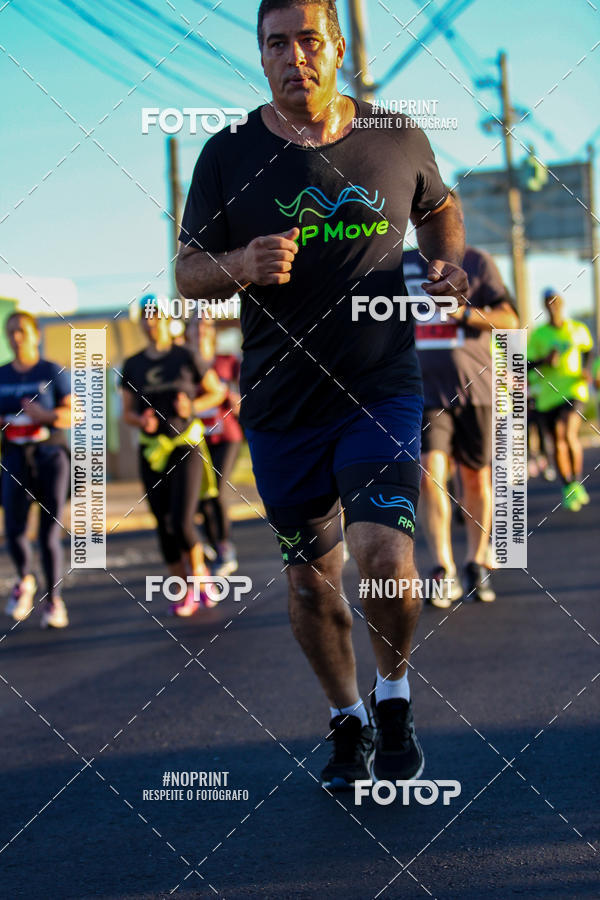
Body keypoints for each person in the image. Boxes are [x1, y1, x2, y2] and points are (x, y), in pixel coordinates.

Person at [176, 0, 468, 790]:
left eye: (309, 40)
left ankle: (395, 694)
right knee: (311, 579)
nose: (293, 56)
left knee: (385, 553)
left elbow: (441, 211)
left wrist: (450, 267)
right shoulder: (227, 154)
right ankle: (347, 717)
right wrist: (240, 265)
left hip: (381, 386)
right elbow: (186, 273)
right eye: (277, 44)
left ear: (338, 47)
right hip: (281, 404)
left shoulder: (395, 135)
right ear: (261, 56)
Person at [403, 242, 519, 606]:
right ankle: (442, 568)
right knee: (429, 473)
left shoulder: (476, 261)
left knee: (475, 478)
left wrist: (463, 315)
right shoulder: (399, 263)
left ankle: (475, 561)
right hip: (424, 392)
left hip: (476, 390)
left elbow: (509, 320)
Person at [120, 297, 227, 615]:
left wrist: (191, 407)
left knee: (181, 520)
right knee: (162, 523)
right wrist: (140, 421)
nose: (150, 324)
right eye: (145, 319)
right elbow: (126, 412)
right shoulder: (133, 363)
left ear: (167, 320)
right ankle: (182, 591)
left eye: (155, 318)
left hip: (185, 445)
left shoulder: (185, 356)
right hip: (152, 451)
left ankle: (200, 578)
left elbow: (217, 391)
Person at [0, 311, 71, 628]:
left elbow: (72, 415)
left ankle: (54, 602)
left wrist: (45, 415)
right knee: (13, 529)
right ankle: (24, 580)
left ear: (35, 335)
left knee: (48, 533)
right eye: (10, 331)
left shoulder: (52, 370)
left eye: (22, 331)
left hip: (50, 455)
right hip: (14, 456)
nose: (16, 337)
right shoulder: (2, 375)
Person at [527, 289, 593, 511]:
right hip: (547, 396)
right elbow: (526, 365)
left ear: (562, 303)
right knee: (557, 441)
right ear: (544, 306)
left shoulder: (577, 329)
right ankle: (568, 485)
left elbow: (589, 351)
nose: (552, 305)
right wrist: (545, 360)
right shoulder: (539, 335)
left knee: (567, 431)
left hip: (574, 389)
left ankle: (576, 480)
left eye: (555, 301)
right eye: (548, 302)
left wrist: (586, 370)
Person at [191, 316, 243, 576]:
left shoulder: (227, 361)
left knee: (217, 489)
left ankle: (224, 546)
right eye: (194, 328)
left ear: (211, 333)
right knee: (199, 495)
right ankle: (211, 544)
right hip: (197, 437)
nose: (199, 332)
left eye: (203, 328)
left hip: (226, 435)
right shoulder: (185, 364)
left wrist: (236, 401)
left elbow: (245, 395)